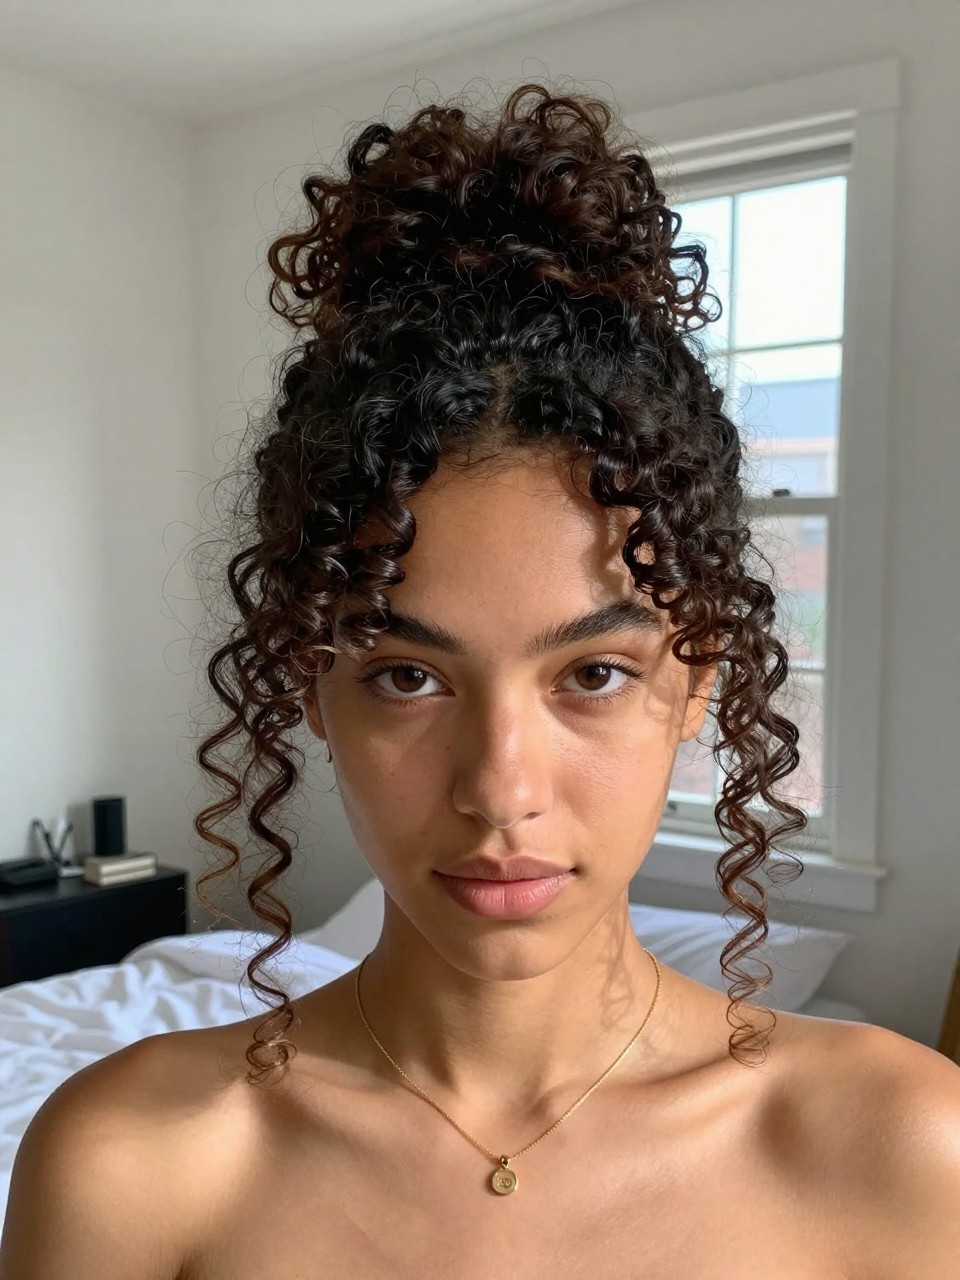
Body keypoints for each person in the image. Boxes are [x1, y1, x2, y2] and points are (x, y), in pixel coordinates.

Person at [2, 80, 958, 1280]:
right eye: (407, 675)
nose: (501, 788)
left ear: (697, 681)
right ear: (312, 687)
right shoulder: (129, 1163)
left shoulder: (907, 1149)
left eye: (593, 671)